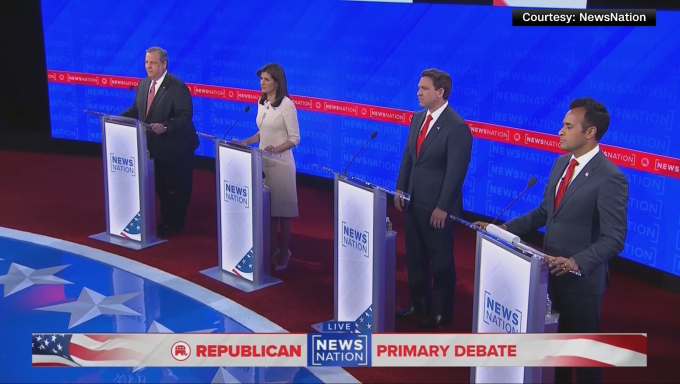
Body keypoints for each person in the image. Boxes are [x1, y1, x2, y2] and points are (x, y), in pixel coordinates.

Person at [474, 97, 629, 384]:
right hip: (547, 272)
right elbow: (546, 211)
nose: (560, 131)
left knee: (582, 358)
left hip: (581, 283)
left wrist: (576, 262)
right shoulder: (560, 164)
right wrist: (503, 229)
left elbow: (615, 238)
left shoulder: (610, 178)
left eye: (568, 126)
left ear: (590, 132)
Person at [394, 68, 473, 329]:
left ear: (440, 92)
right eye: (418, 88)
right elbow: (408, 156)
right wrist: (400, 188)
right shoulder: (418, 119)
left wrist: (442, 207)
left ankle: (441, 312)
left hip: (437, 206)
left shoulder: (457, 126)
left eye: (424, 88)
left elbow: (455, 173)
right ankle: (418, 303)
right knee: (414, 256)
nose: (418, 92)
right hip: (413, 201)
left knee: (440, 259)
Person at [120, 46, 199, 236]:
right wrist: (116, 118)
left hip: (177, 147)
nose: (148, 66)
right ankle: (165, 220)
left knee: (176, 187)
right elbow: (137, 110)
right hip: (156, 147)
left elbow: (185, 115)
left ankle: (175, 223)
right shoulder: (143, 84)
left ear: (164, 64)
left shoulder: (176, 86)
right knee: (162, 187)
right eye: (146, 62)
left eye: (153, 63)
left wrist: (165, 126)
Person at [240, 63, 300, 270]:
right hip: (263, 162)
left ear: (277, 81)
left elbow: (294, 138)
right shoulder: (262, 102)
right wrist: (248, 141)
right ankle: (272, 248)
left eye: (266, 79)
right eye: (261, 79)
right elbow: (263, 132)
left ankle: (285, 254)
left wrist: (277, 149)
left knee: (283, 213)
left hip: (281, 165)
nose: (262, 83)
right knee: (270, 211)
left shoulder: (287, 105)